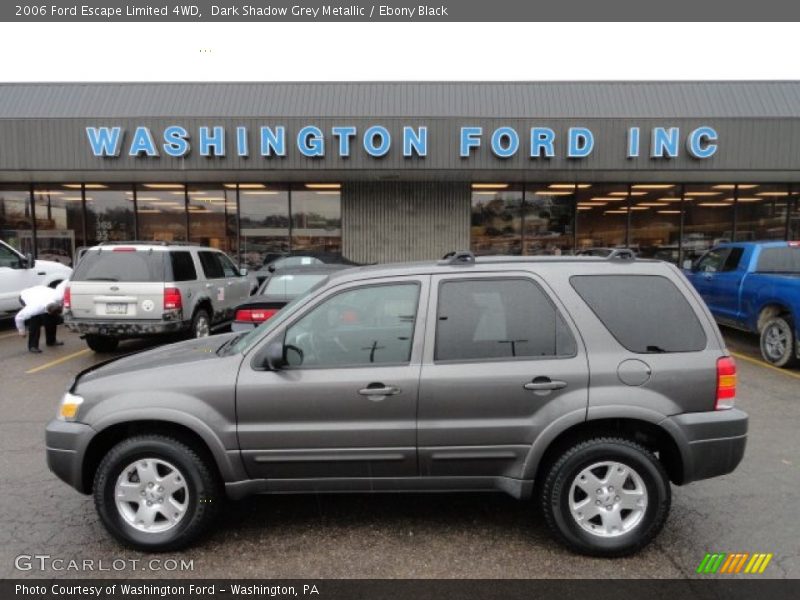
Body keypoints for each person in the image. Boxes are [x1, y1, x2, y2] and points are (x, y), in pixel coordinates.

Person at [15, 280, 68, 354]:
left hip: (42, 290)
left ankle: (51, 341)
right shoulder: (34, 309)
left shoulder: (58, 297)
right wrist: (21, 331)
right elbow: (18, 317)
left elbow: (64, 283)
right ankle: (33, 346)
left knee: (51, 320)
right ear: (48, 311)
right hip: (26, 295)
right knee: (35, 321)